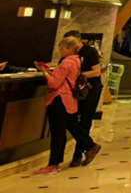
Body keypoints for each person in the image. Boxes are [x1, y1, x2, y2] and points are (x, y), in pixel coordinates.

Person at [33, 36, 100, 174]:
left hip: (59, 99)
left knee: (58, 132)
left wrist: (44, 72)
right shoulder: (76, 61)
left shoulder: (66, 63)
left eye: (62, 48)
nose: (60, 51)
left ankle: (54, 164)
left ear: (69, 48)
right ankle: (89, 145)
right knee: (72, 126)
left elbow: (54, 84)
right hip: (69, 100)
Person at [65, 31, 102, 167]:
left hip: (90, 90)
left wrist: (78, 75)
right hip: (77, 91)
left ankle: (78, 155)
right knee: (73, 120)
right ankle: (89, 146)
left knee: (85, 121)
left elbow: (96, 71)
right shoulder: (71, 54)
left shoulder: (89, 52)